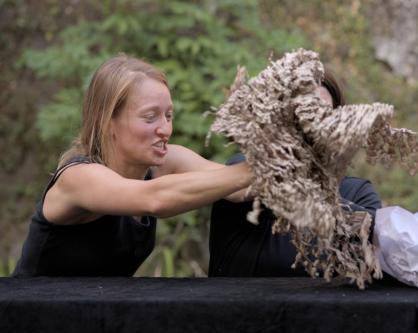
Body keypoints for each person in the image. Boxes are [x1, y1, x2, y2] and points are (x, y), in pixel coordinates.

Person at [13, 55, 253, 277]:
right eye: (150, 117)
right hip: (29, 317)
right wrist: (254, 170)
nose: (165, 129)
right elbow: (156, 199)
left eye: (168, 116)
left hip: (97, 315)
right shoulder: (78, 178)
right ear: (108, 122)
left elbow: (236, 187)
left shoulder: (165, 161)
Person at [208, 70, 382, 277]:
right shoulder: (242, 174)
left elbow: (375, 247)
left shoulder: (357, 193)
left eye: (323, 114)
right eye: (299, 113)